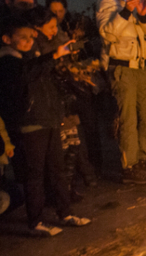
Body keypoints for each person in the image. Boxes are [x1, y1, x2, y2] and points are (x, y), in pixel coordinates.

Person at [0, 17, 91, 236]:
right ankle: (36, 221)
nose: (28, 41)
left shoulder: (28, 59)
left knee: (57, 169)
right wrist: (54, 56)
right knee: (35, 174)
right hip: (31, 123)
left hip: (48, 119)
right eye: (22, 38)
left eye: (30, 37)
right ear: (6, 39)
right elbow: (27, 76)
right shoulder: (8, 63)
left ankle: (65, 212)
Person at [96, 0, 146, 184]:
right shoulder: (108, 3)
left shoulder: (132, 3)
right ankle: (129, 165)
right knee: (128, 118)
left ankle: (144, 157)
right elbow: (108, 33)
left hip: (141, 67)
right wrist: (125, 12)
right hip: (122, 67)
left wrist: (142, 13)